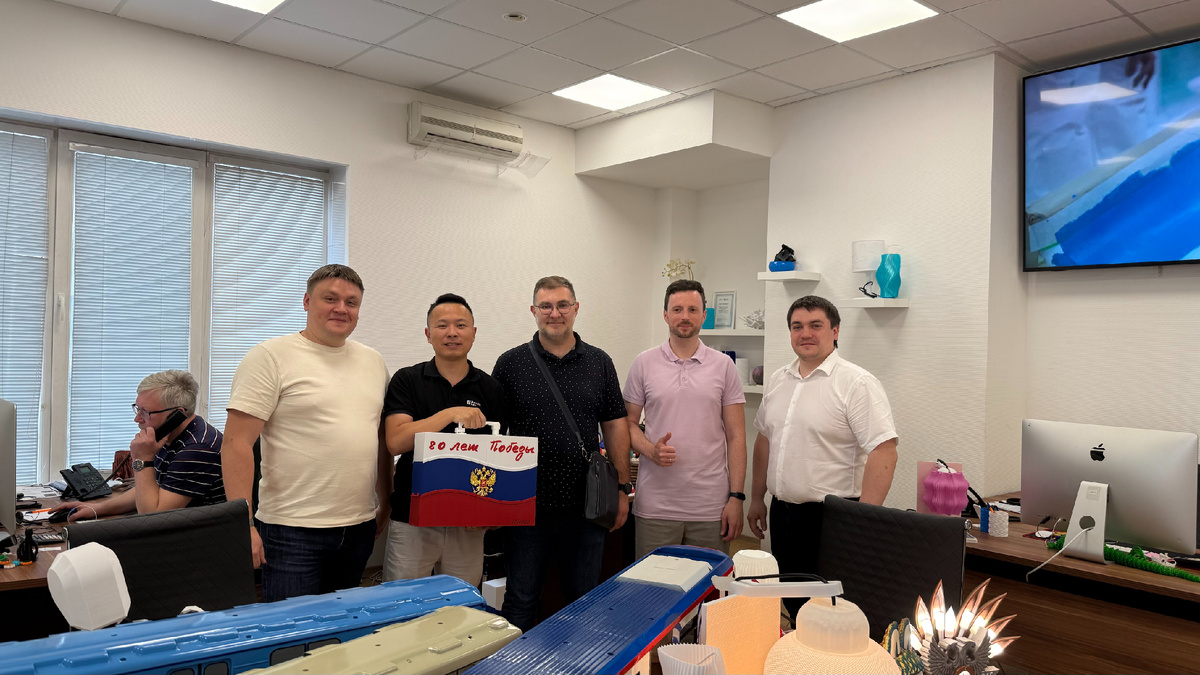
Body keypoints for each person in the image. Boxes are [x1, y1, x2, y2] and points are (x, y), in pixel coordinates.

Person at [222, 264, 391, 603]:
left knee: (343, 627)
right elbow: (236, 444)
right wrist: (243, 525)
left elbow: (378, 440)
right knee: (291, 631)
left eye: (351, 302)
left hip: (357, 527)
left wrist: (384, 500)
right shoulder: (270, 357)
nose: (341, 308)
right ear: (307, 301)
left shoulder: (373, 361)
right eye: (330, 299)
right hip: (291, 530)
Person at [492, 275, 631, 632]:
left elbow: (616, 426)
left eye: (562, 305)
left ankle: (577, 660)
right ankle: (515, 663)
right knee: (520, 599)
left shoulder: (599, 362)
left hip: (586, 506)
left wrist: (622, 489)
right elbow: (494, 433)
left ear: (576, 308)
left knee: (583, 599)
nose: (555, 313)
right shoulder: (510, 363)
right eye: (546, 306)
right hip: (525, 508)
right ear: (533, 311)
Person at [747, 295, 898, 620]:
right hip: (783, 514)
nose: (806, 333)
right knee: (794, 602)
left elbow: (884, 450)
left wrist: (863, 521)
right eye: (797, 326)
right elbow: (764, 439)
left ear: (835, 331)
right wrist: (757, 497)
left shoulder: (856, 383)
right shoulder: (778, 379)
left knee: (832, 612)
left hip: (833, 518)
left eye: (815, 325)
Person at [382, 293, 506, 587]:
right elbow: (396, 441)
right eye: (442, 325)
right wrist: (450, 414)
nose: (452, 332)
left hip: (469, 522)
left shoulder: (491, 389)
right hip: (412, 519)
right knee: (401, 606)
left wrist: (494, 511)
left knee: (460, 607)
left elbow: (499, 455)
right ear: (428, 334)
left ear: (473, 333)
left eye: (461, 325)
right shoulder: (407, 380)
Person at [624, 279, 746, 558]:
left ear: (704, 316)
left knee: (708, 583)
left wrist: (737, 497)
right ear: (665, 315)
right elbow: (627, 423)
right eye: (677, 309)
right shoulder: (644, 363)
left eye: (693, 309)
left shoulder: (724, 366)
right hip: (656, 506)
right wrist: (650, 450)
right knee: (652, 583)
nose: (685, 316)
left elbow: (736, 436)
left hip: (711, 507)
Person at [52, 370, 224, 521]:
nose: (137, 419)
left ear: (176, 415)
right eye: (137, 408)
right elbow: (148, 491)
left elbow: (154, 519)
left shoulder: (197, 448)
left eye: (145, 412)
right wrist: (97, 509)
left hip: (200, 538)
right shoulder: (170, 435)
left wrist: (142, 460)